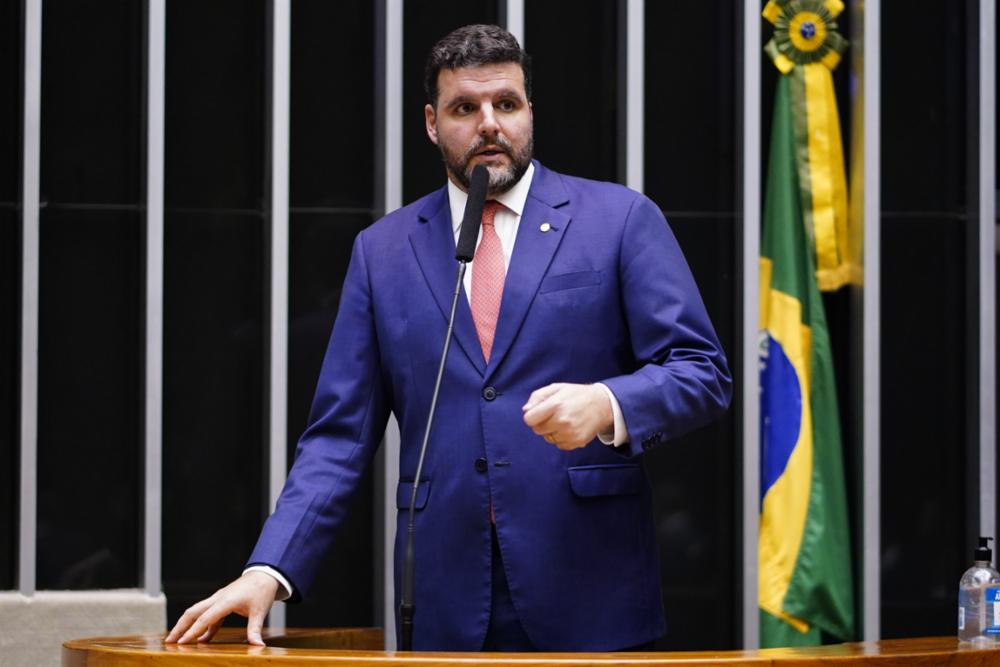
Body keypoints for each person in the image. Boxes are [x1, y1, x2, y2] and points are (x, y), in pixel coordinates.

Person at [165, 24, 731, 652]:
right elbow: (337, 436)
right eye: (466, 108)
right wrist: (269, 568)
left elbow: (701, 370)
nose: (490, 124)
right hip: (446, 593)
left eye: (506, 105)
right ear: (433, 123)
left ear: (529, 113)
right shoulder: (383, 252)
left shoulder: (619, 220)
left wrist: (608, 403)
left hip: (588, 580)